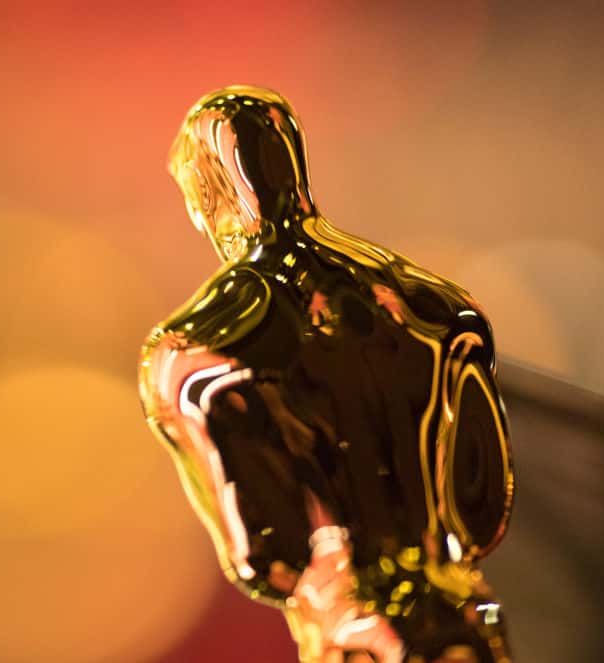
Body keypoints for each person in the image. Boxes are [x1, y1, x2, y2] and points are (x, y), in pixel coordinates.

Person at [138, 86, 515, 663]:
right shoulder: (434, 308)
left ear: (205, 195)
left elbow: (263, 557)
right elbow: (483, 503)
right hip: (457, 606)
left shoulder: (195, 352)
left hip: (353, 626)